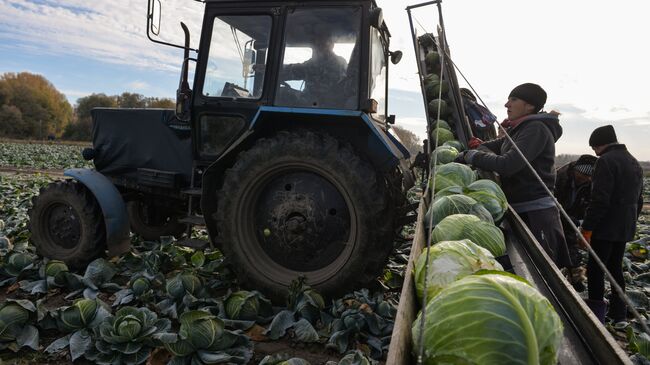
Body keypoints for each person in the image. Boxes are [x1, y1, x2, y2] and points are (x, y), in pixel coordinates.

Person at [455, 83, 571, 268]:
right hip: (521, 210)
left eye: (513, 100)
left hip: (536, 215)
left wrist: (473, 156)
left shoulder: (536, 129)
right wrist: (481, 151)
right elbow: (493, 146)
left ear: (530, 106)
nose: (507, 104)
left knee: (541, 270)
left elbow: (508, 165)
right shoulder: (521, 129)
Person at [579, 125, 644, 325]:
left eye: (594, 148)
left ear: (599, 144)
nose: (594, 152)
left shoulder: (606, 161)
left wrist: (587, 228)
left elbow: (600, 200)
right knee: (615, 267)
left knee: (596, 268)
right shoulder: (633, 161)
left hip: (605, 227)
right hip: (625, 226)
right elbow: (639, 199)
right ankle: (618, 313)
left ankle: (596, 314)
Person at [555, 154, 598, 291]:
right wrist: (565, 216)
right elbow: (552, 199)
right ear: (576, 170)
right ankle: (556, 273)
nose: (586, 178)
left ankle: (575, 277)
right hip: (555, 214)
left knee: (572, 245)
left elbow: (589, 204)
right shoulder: (561, 177)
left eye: (589, 176)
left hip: (573, 217)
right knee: (555, 242)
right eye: (584, 175)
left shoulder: (589, 184)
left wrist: (581, 221)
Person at [279, 33, 347, 107]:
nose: (319, 47)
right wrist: (275, 72)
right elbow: (295, 71)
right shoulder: (314, 63)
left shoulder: (338, 62)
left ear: (331, 45)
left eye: (323, 44)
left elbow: (299, 70)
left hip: (324, 106)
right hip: (310, 105)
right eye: (317, 44)